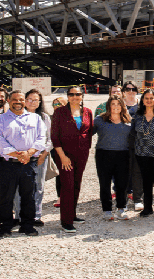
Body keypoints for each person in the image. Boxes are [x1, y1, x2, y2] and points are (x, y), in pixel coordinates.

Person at [0, 90, 49, 237]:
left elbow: (41, 138)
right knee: (6, 195)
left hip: (29, 163)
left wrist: (28, 153)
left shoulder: (35, 118)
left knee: (29, 195)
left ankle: (27, 225)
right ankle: (5, 226)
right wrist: (17, 154)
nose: (18, 102)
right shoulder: (1, 120)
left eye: (21, 99)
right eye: (15, 99)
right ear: (9, 101)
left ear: (25, 101)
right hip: (8, 164)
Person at [51, 86, 94, 233]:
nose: (75, 97)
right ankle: (66, 221)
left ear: (82, 96)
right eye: (71, 94)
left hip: (81, 154)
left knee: (76, 184)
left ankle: (72, 214)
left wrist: (86, 149)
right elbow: (54, 137)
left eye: (77, 94)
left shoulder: (88, 112)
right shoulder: (60, 112)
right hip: (65, 155)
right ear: (68, 96)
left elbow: (89, 132)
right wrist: (62, 157)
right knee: (67, 186)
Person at [13, 89, 53, 226]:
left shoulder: (44, 117)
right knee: (19, 187)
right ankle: (19, 215)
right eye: (29, 99)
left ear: (40, 102)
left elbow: (49, 138)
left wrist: (44, 154)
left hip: (40, 157)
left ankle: (36, 215)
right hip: (20, 157)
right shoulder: (16, 116)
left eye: (35, 100)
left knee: (38, 186)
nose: (32, 102)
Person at [131, 89, 154, 218]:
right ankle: (147, 207)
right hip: (142, 153)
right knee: (146, 181)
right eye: (146, 98)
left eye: (151, 98)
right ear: (142, 100)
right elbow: (132, 133)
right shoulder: (137, 115)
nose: (149, 100)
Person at [93, 96, 131, 220]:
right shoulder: (100, 120)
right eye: (113, 104)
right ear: (108, 106)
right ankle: (107, 210)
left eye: (118, 104)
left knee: (122, 184)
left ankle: (121, 209)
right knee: (104, 183)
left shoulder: (129, 120)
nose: (115, 106)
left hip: (123, 155)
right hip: (104, 154)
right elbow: (85, 133)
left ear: (122, 106)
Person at [122, 81, 144, 211]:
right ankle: (122, 201)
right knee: (123, 173)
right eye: (128, 89)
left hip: (138, 144)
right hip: (122, 144)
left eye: (133, 89)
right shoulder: (119, 105)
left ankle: (138, 199)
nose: (131, 91)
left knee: (137, 172)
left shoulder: (141, 105)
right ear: (124, 91)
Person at [51, 96, 67, 208]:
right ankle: (60, 196)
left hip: (68, 148)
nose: (57, 107)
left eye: (59, 104)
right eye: (55, 104)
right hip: (55, 149)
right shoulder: (50, 118)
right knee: (59, 173)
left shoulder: (70, 117)